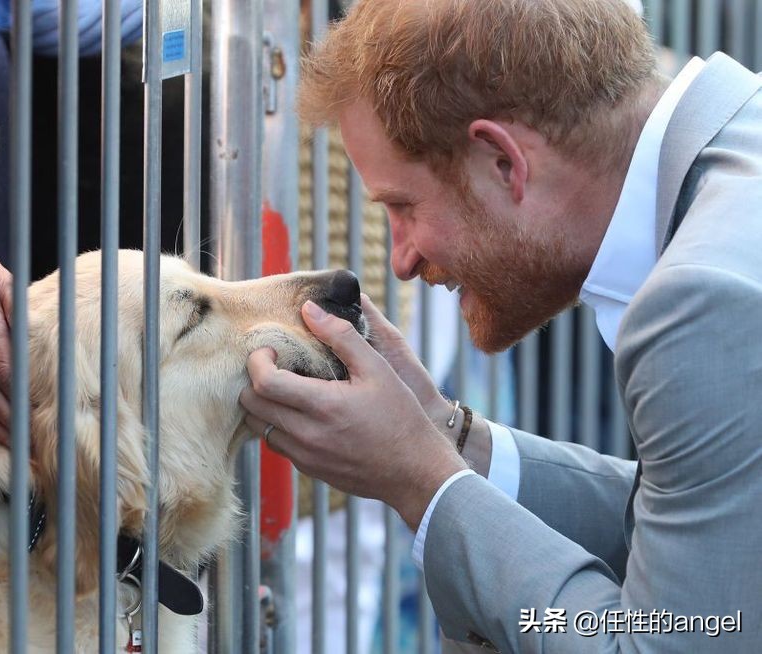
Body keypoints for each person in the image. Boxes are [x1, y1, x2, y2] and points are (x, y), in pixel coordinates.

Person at [239, 0, 762, 651]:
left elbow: (668, 639)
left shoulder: (701, 300)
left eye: (403, 206)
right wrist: (444, 436)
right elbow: (707, 527)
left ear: (504, 162)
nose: (401, 260)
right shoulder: (740, 140)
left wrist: (420, 480)